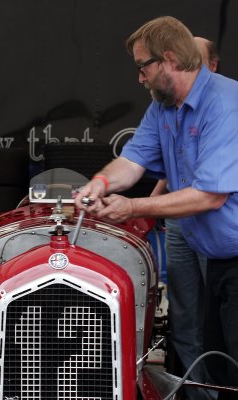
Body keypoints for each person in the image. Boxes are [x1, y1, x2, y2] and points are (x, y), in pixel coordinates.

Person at [75, 16, 238, 399]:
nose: (139, 78)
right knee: (221, 366)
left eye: (142, 66)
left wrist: (132, 207)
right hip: (216, 258)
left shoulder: (226, 105)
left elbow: (209, 195)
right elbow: (132, 163)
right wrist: (98, 184)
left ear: (168, 59)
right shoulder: (163, 108)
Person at [149, 37, 219, 400]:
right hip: (179, 223)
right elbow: (169, 162)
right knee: (184, 314)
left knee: (219, 317)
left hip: (215, 223)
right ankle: (198, 394)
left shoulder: (222, 107)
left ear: (212, 67)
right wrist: (153, 200)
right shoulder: (168, 108)